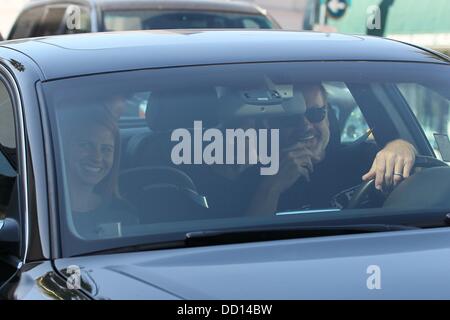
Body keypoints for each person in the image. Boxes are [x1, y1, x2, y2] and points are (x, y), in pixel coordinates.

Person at [246, 84, 416, 215]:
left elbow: (423, 190)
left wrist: (402, 146)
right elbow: (248, 247)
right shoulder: (254, 181)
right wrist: (271, 188)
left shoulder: (367, 160)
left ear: (328, 117)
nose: (306, 125)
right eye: (290, 118)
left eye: (316, 114)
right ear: (269, 125)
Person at [62, 108, 138, 238]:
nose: (96, 157)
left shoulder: (123, 213)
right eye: (85, 145)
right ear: (63, 146)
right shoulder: (43, 213)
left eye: (106, 149)